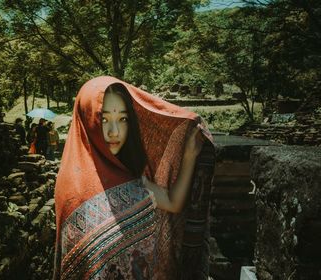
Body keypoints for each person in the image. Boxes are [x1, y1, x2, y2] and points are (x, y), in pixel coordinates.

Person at [53, 76, 213, 279]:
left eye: (122, 119)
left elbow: (173, 203)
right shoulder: (72, 189)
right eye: (104, 119)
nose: (114, 132)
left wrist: (189, 157)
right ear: (87, 119)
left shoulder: (130, 177)